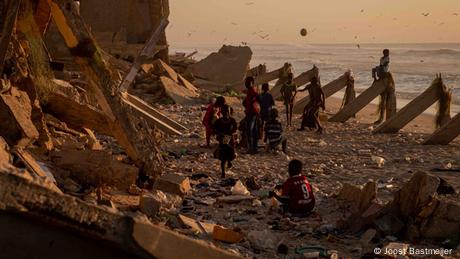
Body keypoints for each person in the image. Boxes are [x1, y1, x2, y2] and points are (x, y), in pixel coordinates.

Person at [213, 105, 238, 178]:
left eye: (227, 111)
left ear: (230, 112)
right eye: (224, 111)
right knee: (223, 158)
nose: (226, 113)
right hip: (222, 141)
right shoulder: (219, 121)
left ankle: (229, 161)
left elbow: (235, 129)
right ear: (222, 112)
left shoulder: (232, 120)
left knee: (231, 154)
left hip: (230, 140)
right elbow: (215, 129)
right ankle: (223, 172)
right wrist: (220, 134)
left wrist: (230, 133)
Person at [243, 76, 260, 154]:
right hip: (252, 113)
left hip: (252, 114)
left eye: (247, 82)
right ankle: (254, 148)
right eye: (246, 82)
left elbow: (257, 101)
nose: (246, 84)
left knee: (249, 131)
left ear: (252, 83)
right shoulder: (250, 91)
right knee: (253, 131)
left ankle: (251, 148)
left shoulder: (252, 92)